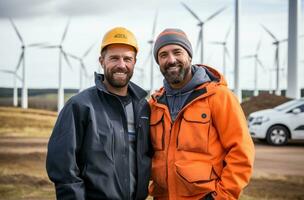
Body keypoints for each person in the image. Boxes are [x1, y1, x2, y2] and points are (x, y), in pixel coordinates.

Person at [46, 27, 152, 200]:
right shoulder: (79, 106)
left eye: (127, 59)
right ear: (102, 61)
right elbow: (64, 169)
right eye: (114, 58)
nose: (121, 65)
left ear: (134, 62)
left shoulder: (143, 108)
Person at [149, 28, 255, 200]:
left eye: (177, 52)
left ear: (189, 56)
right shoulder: (154, 104)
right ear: (158, 62)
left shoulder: (219, 96)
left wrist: (223, 196)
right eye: (163, 55)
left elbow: (241, 152)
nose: (171, 60)